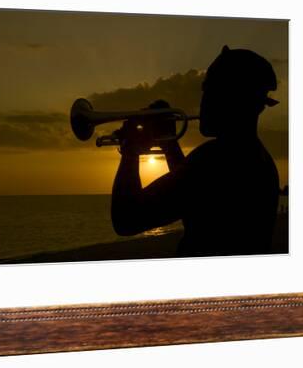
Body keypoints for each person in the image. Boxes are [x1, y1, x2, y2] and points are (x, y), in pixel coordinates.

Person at [111, 46, 280, 256]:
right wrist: (169, 145)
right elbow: (193, 200)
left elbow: (126, 220)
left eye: (209, 90)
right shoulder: (259, 158)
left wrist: (130, 150)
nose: (203, 101)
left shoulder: (215, 158)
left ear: (231, 97)